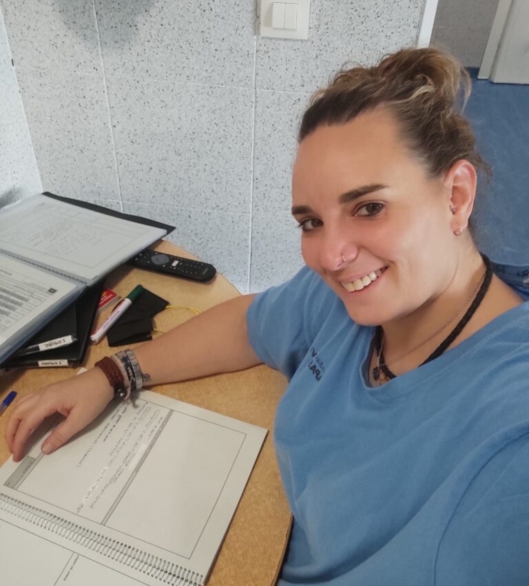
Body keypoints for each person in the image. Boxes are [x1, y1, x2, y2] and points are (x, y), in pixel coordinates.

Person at [5, 47, 529, 586]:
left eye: (369, 208)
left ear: (456, 197)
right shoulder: (348, 301)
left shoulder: (511, 432)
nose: (332, 257)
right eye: (311, 222)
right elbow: (250, 322)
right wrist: (114, 373)